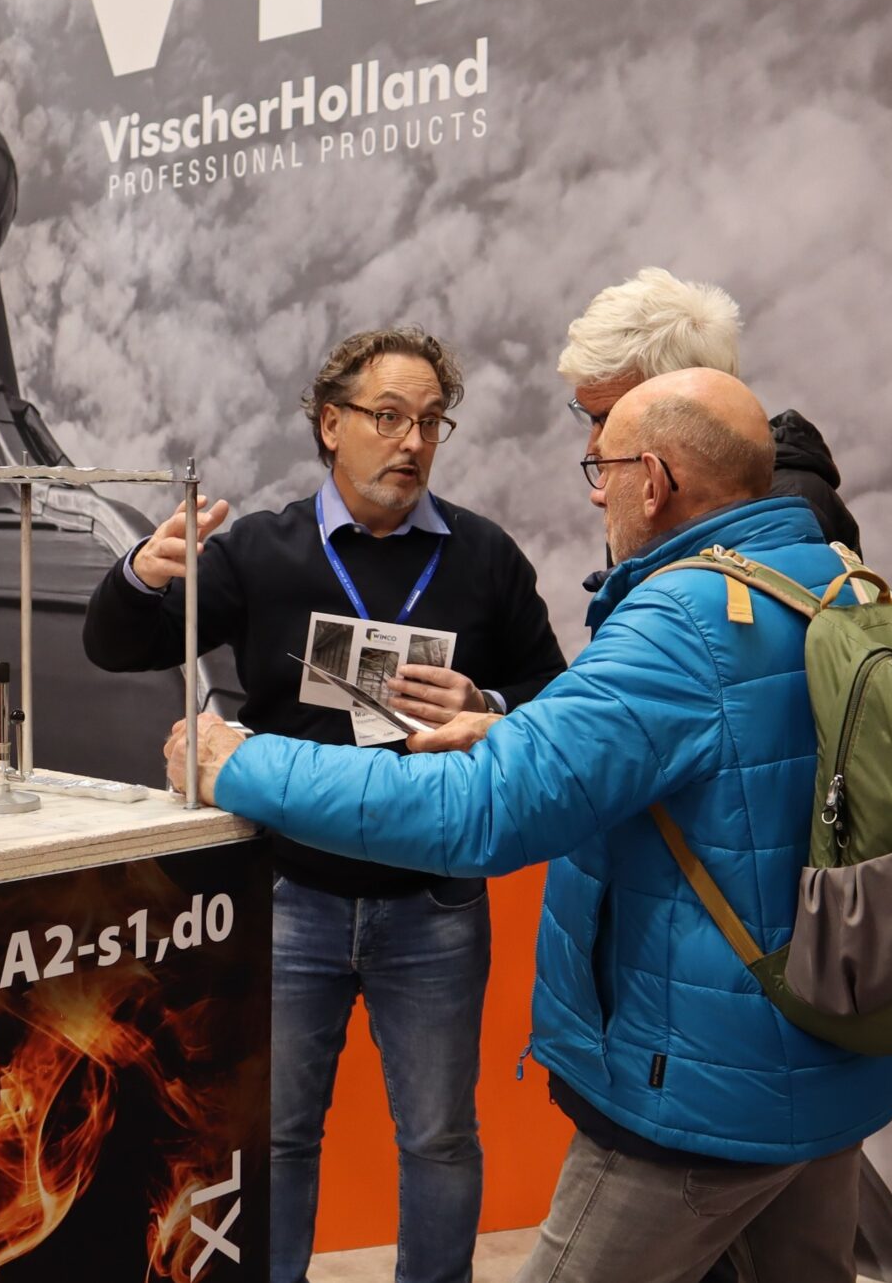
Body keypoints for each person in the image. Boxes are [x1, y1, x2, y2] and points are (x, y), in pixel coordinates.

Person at [168, 370, 892, 1283]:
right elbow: (721, 762)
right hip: (831, 1059)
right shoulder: (839, 582)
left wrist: (239, 765)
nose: (597, 495)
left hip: (703, 1086)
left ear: (653, 481)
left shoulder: (680, 624)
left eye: (603, 469)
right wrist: (507, 724)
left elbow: (481, 808)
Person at [83, 326, 568, 1283]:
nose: (412, 442)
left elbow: (555, 702)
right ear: (330, 424)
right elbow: (115, 646)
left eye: (431, 422)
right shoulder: (261, 552)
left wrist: (486, 703)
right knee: (279, 1134)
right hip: (288, 898)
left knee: (438, 1137)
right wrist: (141, 574)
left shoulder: (485, 557)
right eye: (389, 417)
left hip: (433, 903)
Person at [558, 267, 861, 552]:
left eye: (609, 418)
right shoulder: (651, 495)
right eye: (586, 415)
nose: (593, 447)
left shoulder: (786, 509)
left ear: (689, 398)